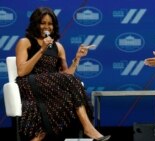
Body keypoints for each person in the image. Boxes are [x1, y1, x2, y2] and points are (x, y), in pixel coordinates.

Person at [15, 7, 110, 141]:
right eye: (43, 23)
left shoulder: (58, 47)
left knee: (70, 87)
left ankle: (85, 128)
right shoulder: (25, 42)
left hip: (50, 87)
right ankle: (88, 128)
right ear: (36, 24)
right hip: (30, 83)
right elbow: (21, 71)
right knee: (70, 82)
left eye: (50, 23)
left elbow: (67, 75)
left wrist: (77, 59)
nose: (46, 27)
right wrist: (42, 50)